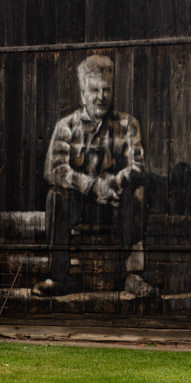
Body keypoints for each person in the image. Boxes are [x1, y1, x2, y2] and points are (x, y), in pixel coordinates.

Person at [33, 55, 153, 298]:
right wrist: (92, 186)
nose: (101, 96)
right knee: (55, 197)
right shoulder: (66, 126)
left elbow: (138, 165)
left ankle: (134, 275)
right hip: (80, 203)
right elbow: (54, 169)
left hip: (116, 203)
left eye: (106, 89)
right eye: (94, 90)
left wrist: (116, 182)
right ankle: (58, 277)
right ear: (82, 95)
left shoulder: (128, 124)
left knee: (137, 193)